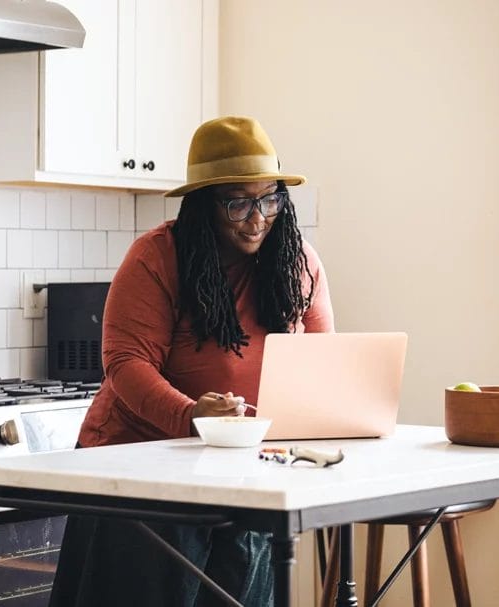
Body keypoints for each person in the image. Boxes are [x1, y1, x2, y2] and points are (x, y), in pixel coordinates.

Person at [49, 115, 334, 607]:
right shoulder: (155, 259)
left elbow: (321, 358)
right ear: (204, 204)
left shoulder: (297, 262)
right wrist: (191, 416)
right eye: (238, 202)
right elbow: (125, 363)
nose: (257, 217)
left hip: (243, 469)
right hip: (140, 463)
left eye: (270, 198)